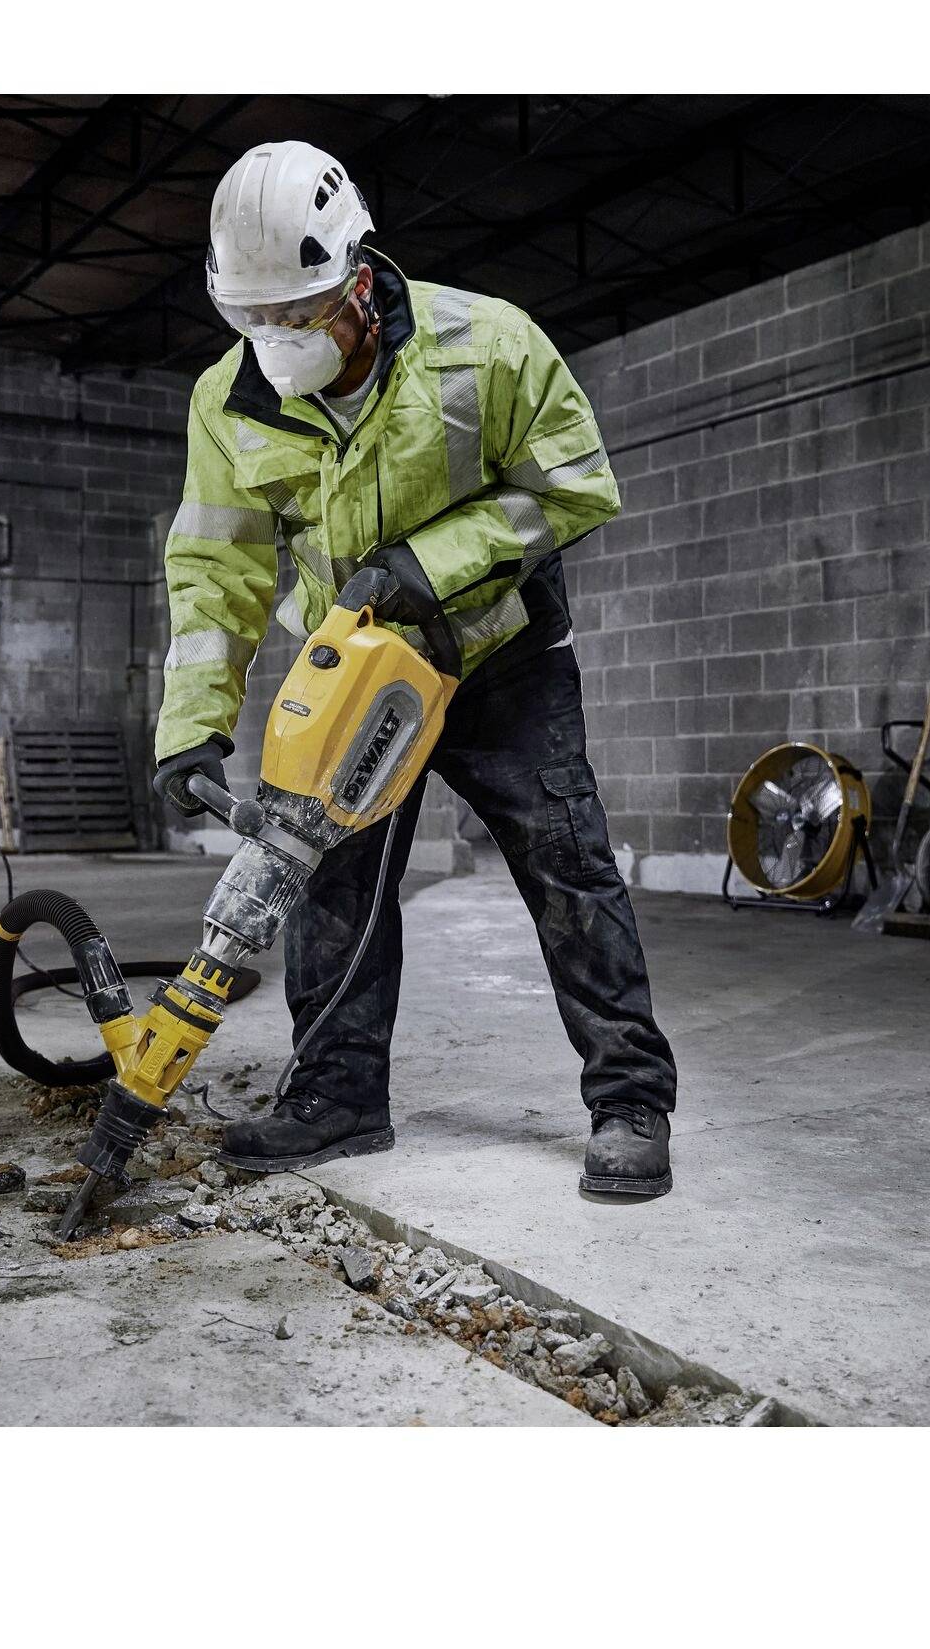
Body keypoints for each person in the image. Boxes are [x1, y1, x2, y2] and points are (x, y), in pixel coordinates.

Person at [153, 140, 677, 1199]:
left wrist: (428, 567)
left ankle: (628, 1099)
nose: (272, 339)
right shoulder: (227, 400)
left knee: (566, 870)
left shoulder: (485, 345)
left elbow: (576, 486)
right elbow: (217, 567)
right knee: (330, 886)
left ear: (356, 275)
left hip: (500, 660)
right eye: (249, 319)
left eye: (293, 314)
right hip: (351, 677)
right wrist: (190, 727)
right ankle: (336, 1096)